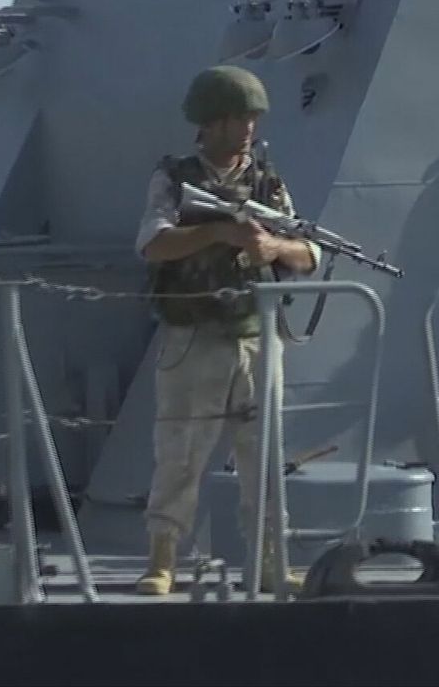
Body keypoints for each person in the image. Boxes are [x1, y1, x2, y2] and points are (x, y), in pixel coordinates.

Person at [132, 64, 319, 596]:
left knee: (264, 455)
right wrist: (219, 233)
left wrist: (272, 248)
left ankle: (270, 560)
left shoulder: (266, 182)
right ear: (210, 122)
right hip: (193, 337)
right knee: (181, 453)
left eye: (252, 118)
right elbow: (153, 244)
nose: (248, 129)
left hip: (257, 335)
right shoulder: (175, 180)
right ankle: (162, 560)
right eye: (239, 118)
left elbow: (308, 252)